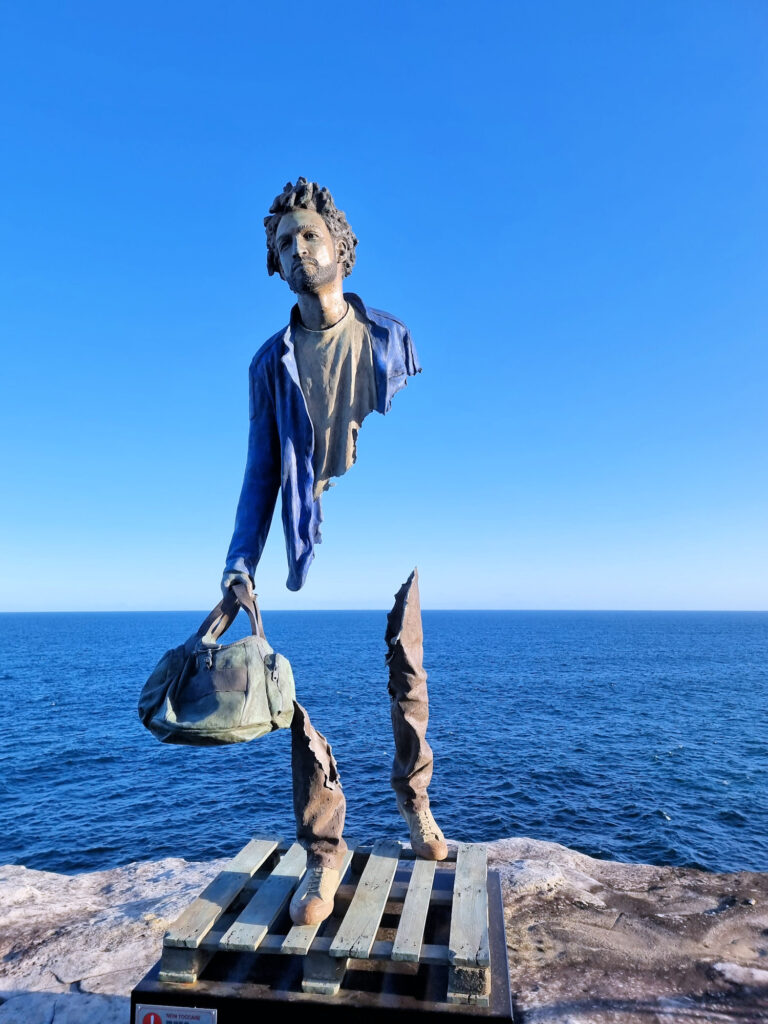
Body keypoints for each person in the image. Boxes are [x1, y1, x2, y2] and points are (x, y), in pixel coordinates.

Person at [222, 179, 446, 926]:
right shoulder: (269, 363)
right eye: (283, 244)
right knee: (300, 699)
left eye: (308, 236)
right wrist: (238, 563)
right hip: (309, 536)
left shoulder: (393, 337)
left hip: (396, 520)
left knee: (408, 669)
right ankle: (325, 853)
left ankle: (416, 806)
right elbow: (260, 471)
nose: (297, 250)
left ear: (341, 246)